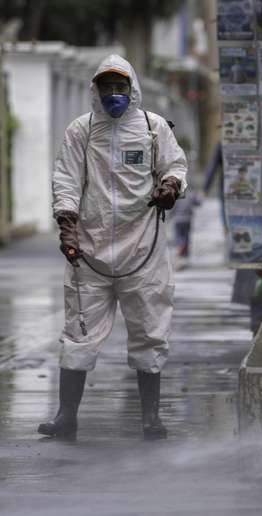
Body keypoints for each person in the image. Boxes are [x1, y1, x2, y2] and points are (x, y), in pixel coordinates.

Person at [39, 55, 187, 440]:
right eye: (107, 87)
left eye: (120, 86)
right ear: (96, 90)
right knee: (78, 332)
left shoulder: (154, 129)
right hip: (89, 251)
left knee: (150, 331)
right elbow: (66, 180)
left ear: (132, 89)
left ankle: (150, 419)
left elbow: (175, 166)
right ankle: (65, 417)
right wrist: (67, 226)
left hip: (144, 251)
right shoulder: (81, 131)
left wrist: (170, 186)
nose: (114, 94)